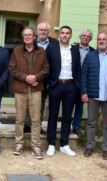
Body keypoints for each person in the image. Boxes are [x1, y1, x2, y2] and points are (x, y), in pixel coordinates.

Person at [9, 26, 49, 159]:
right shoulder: (16, 51)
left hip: (36, 90)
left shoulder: (41, 51)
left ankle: (35, 146)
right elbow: (12, 69)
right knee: (20, 119)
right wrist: (26, 78)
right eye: (25, 35)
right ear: (23, 37)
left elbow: (46, 69)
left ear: (34, 37)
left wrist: (36, 78)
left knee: (36, 119)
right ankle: (19, 144)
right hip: (20, 90)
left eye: (30, 35)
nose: (27, 37)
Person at [80, 32, 107, 160]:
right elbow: (84, 75)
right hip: (93, 95)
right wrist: (84, 92)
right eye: (99, 39)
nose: (101, 41)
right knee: (91, 122)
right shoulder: (90, 56)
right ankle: (90, 146)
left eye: (104, 39)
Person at [45, 26, 80, 157]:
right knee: (52, 115)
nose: (65, 35)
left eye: (67, 33)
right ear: (59, 34)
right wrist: (49, 83)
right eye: (63, 33)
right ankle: (51, 144)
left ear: (71, 35)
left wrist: (77, 86)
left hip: (70, 86)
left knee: (67, 116)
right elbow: (46, 66)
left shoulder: (75, 50)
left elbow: (78, 68)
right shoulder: (52, 48)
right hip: (56, 85)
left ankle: (64, 144)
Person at [24, 22, 56, 134]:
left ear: (49, 31)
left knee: (41, 103)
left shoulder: (55, 43)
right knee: (28, 101)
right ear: (37, 31)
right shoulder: (30, 40)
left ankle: (38, 125)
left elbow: (55, 63)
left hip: (46, 79)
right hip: (30, 78)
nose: (43, 32)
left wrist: (51, 80)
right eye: (41, 29)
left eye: (45, 30)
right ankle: (27, 125)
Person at [72, 28, 95, 137]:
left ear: (91, 38)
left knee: (80, 107)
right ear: (80, 37)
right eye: (84, 35)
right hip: (71, 82)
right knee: (68, 105)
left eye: (88, 36)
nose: (85, 37)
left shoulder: (93, 52)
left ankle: (76, 126)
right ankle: (66, 126)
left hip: (84, 83)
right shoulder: (72, 49)